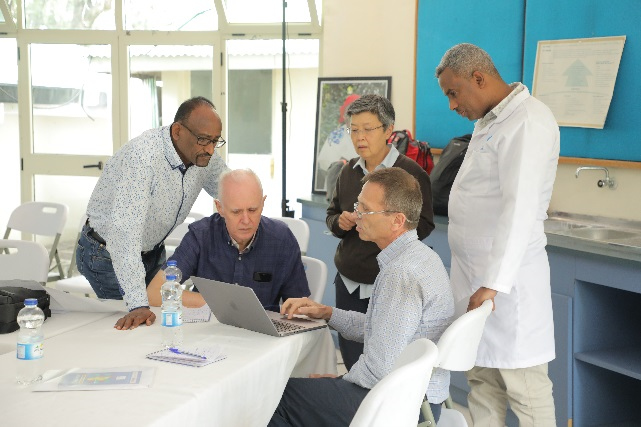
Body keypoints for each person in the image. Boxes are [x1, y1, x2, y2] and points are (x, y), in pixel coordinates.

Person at [269, 167, 453, 427]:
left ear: (397, 221)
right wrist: (326, 313)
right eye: (358, 205)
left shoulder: (401, 273)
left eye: (366, 209)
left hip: (398, 405)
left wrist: (338, 384)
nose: (357, 216)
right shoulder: (419, 257)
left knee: (273, 396)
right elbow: (383, 331)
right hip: (417, 398)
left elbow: (379, 370)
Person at [436, 43, 559, 426]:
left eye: (454, 93)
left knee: (526, 392)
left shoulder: (528, 121)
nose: (452, 105)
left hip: (508, 288)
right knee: (482, 384)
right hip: (478, 281)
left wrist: (493, 282)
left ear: (479, 78)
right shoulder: (490, 120)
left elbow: (519, 207)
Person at [77, 96, 229, 331]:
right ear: (178, 131)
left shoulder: (203, 154)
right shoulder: (143, 157)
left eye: (215, 141)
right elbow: (123, 235)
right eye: (203, 140)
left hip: (152, 251)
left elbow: (230, 188)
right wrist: (137, 303)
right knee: (132, 331)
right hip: (108, 253)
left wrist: (250, 212)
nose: (209, 149)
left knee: (161, 324)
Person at [326, 94, 435, 370]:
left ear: (388, 131)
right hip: (348, 282)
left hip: (387, 285)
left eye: (367, 129)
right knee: (352, 361)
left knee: (387, 366)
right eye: (353, 130)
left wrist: (381, 227)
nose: (359, 137)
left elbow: (423, 225)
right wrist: (341, 222)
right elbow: (331, 216)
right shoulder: (348, 171)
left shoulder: (410, 173)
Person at [143, 168, 310, 313]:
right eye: (236, 212)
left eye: (252, 210)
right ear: (220, 208)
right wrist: (223, 305)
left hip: (260, 338)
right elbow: (155, 292)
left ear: (263, 203)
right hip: (207, 332)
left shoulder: (282, 239)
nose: (246, 220)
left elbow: (299, 306)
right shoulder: (201, 235)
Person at [315, 94, 360, 193]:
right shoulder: (336, 136)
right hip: (337, 193)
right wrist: (340, 165)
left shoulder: (370, 136)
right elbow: (324, 163)